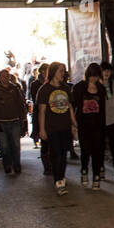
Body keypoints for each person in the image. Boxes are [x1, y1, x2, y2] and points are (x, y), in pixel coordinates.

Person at [36, 61, 78, 195]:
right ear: (54, 72)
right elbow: (41, 111)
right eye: (61, 71)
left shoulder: (66, 88)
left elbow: (70, 107)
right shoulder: (44, 90)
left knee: (64, 153)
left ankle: (62, 177)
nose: (63, 73)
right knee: (56, 154)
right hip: (52, 127)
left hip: (65, 125)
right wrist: (42, 129)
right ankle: (58, 180)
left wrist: (74, 123)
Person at [71, 63, 108, 189]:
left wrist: (104, 126)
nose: (93, 79)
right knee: (86, 151)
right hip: (84, 125)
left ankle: (96, 177)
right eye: (92, 76)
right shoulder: (79, 88)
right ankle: (84, 170)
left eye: (96, 76)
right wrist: (73, 124)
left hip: (98, 126)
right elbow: (73, 106)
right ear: (88, 75)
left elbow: (103, 110)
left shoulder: (101, 89)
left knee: (97, 151)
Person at [0, 67, 27, 175]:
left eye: (7, 76)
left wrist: (23, 119)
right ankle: (7, 164)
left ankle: (17, 165)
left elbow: (21, 104)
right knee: (4, 147)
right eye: (3, 76)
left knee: (15, 145)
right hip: (1, 122)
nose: (5, 78)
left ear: (9, 77)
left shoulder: (15, 89)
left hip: (14, 121)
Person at [31, 62, 50, 174]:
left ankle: (52, 165)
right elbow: (36, 101)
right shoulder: (35, 84)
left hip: (52, 116)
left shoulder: (53, 83)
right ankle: (47, 167)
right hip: (40, 114)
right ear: (42, 71)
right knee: (45, 142)